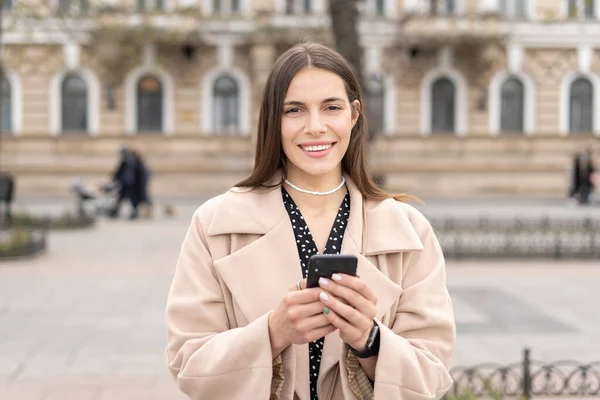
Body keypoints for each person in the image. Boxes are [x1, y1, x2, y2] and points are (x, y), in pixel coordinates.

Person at [165, 42, 456, 399]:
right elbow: (189, 366)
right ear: (274, 120)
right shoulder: (215, 225)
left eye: (331, 107)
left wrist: (370, 340)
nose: (315, 127)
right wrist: (273, 332)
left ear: (354, 114)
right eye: (294, 110)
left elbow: (433, 375)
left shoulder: (410, 232)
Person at [110, 146, 140, 219]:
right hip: (131, 182)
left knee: (121, 198)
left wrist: (114, 177)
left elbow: (120, 171)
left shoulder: (125, 160)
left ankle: (116, 212)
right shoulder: (132, 160)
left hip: (125, 183)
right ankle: (133, 213)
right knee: (130, 198)